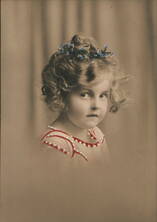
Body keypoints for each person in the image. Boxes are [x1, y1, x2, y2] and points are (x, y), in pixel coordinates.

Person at [41, 34, 127, 163]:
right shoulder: (56, 144)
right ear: (62, 93)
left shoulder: (96, 134)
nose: (96, 105)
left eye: (103, 95)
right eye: (85, 94)